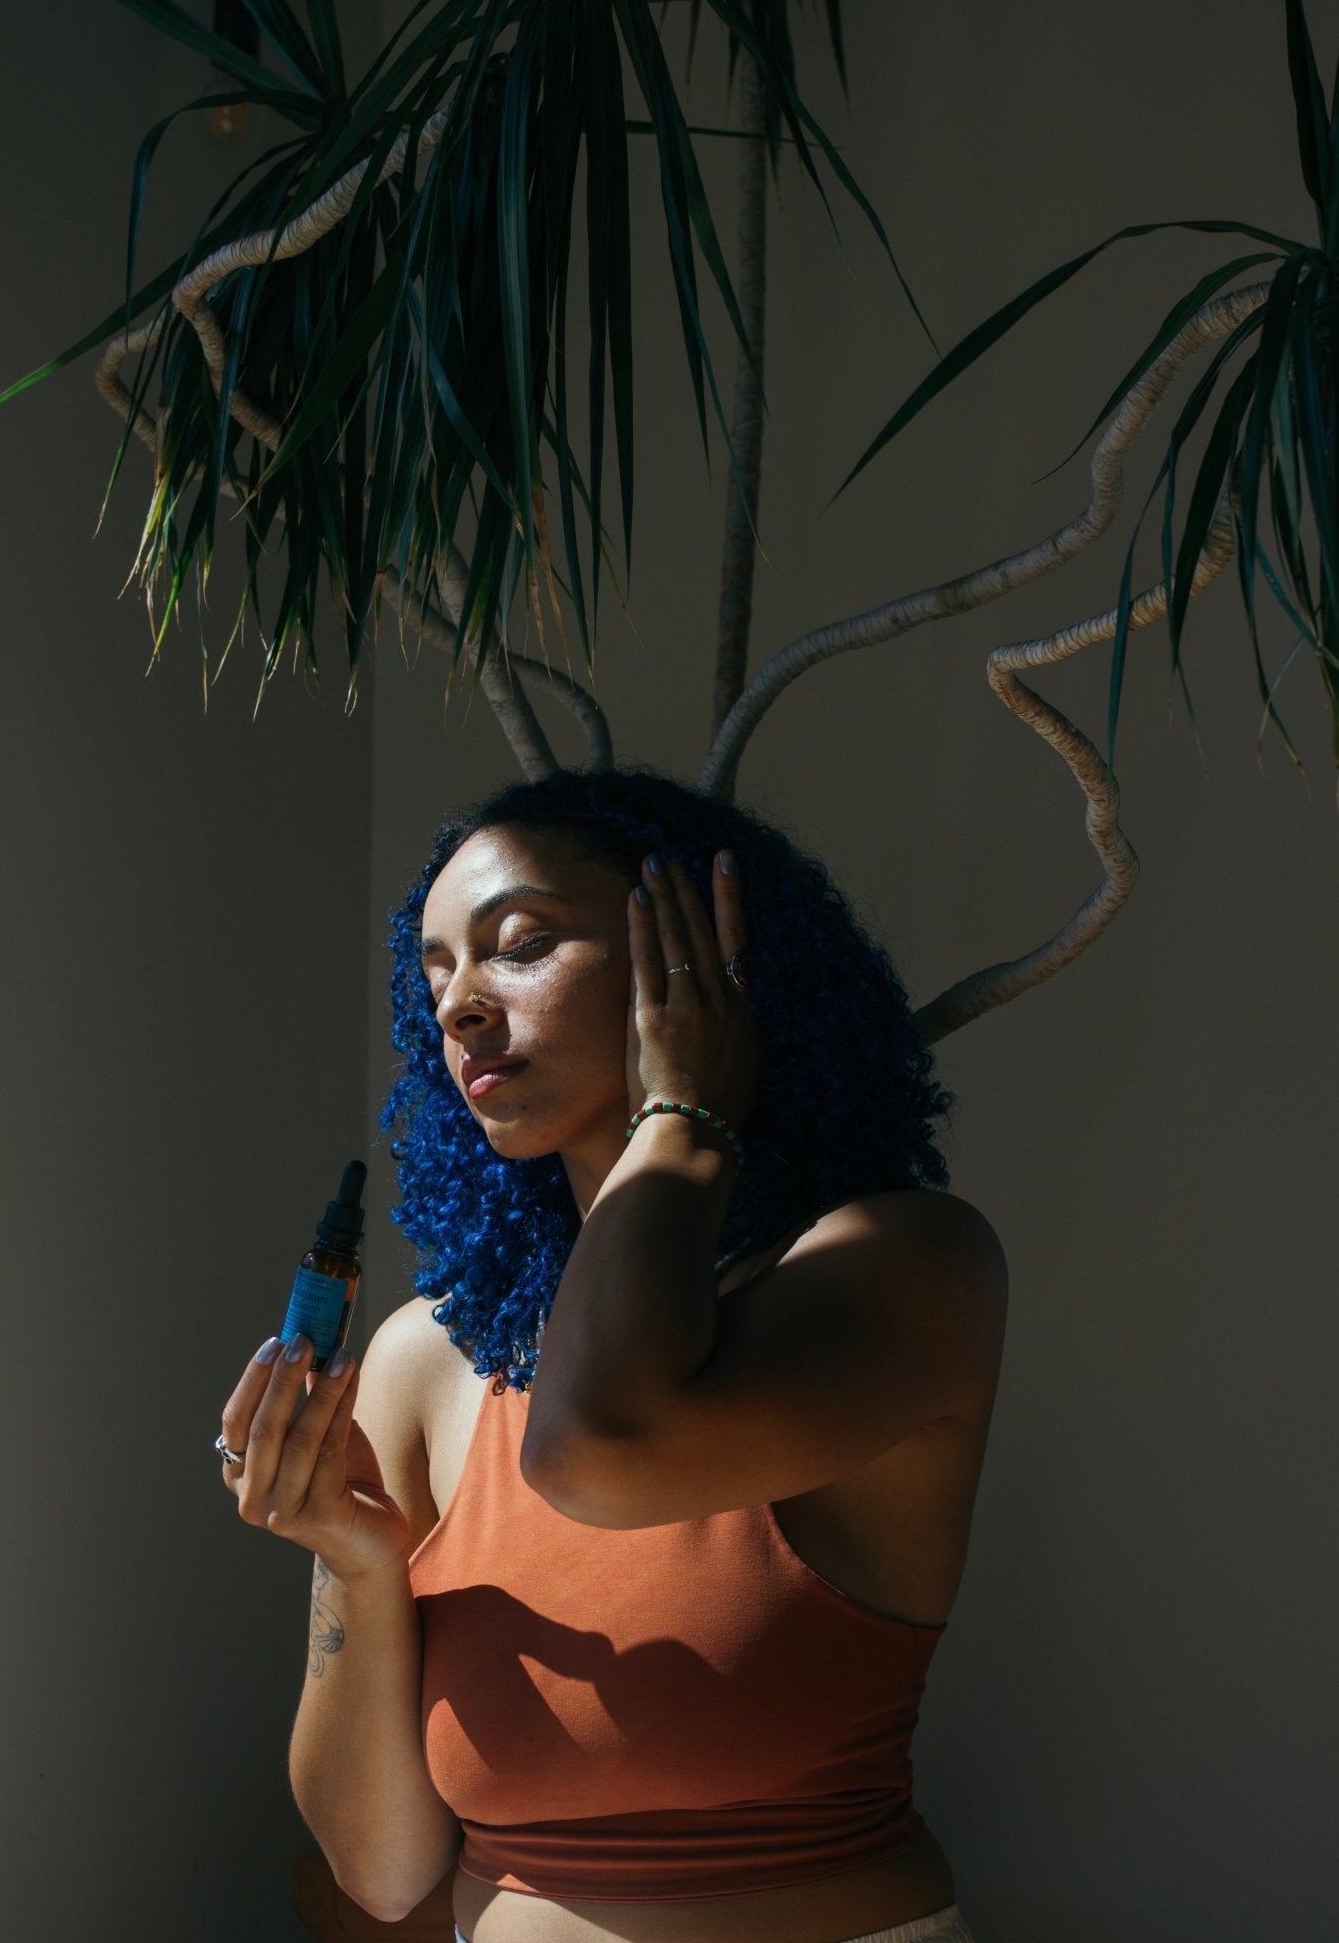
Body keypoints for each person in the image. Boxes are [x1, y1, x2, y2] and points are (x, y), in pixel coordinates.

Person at [217, 764, 1007, 1942]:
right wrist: (363, 1564)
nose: (461, 1007)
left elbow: (596, 1448)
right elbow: (379, 1873)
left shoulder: (896, 1264)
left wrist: (687, 1110)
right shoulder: (425, 1359)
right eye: (435, 975)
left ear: (707, 965)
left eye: (520, 943)